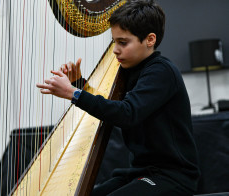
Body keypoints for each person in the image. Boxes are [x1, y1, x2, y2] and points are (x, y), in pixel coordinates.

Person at [36, 0, 200, 195]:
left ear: (150, 39)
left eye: (123, 42)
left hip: (172, 176)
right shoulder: (127, 70)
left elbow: (126, 113)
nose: (115, 49)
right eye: (114, 41)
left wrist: (74, 94)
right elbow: (108, 104)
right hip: (140, 171)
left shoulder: (161, 71)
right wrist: (79, 83)